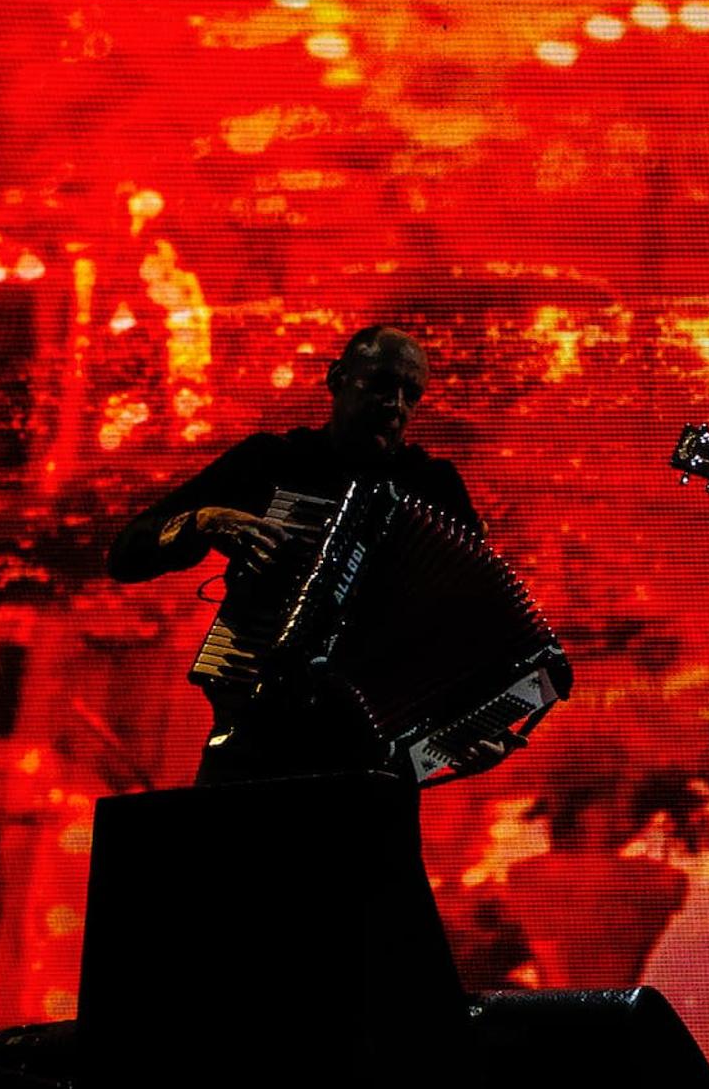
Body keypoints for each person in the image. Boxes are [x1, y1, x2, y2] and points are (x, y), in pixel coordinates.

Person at [109, 322, 486, 782]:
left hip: (373, 760)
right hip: (255, 739)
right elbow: (126, 555)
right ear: (336, 378)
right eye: (382, 385)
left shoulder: (433, 488)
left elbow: (469, 621)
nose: (396, 407)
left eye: (411, 394)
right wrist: (202, 521)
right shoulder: (273, 461)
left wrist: (470, 719)